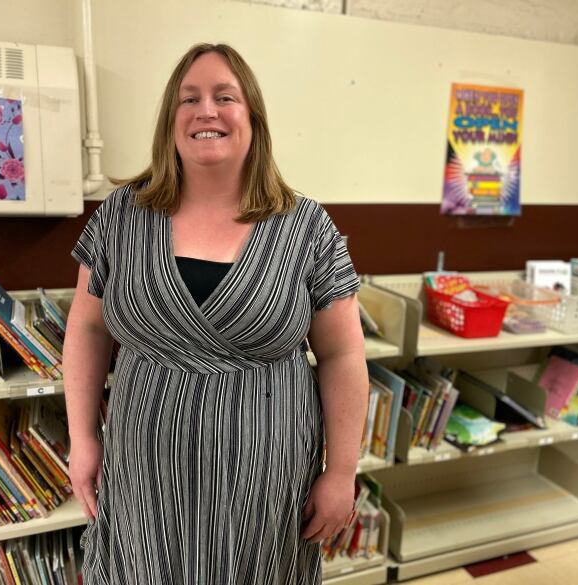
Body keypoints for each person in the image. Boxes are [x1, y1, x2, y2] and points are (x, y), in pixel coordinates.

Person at [63, 42, 368, 585]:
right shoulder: (121, 216)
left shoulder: (307, 228)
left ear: (253, 119)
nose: (206, 111)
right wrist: (83, 439)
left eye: (225, 96)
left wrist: (341, 470)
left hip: (266, 484)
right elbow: (87, 327)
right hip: (143, 479)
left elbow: (343, 354)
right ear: (170, 121)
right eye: (189, 99)